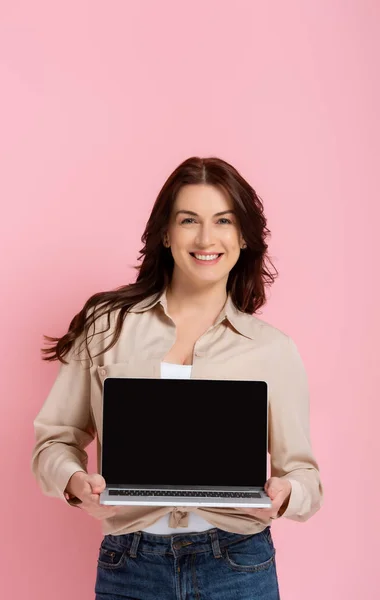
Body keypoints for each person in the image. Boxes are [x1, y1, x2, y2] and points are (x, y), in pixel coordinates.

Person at [31, 156, 323, 600]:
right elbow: (53, 441)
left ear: (242, 236)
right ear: (166, 233)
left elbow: (305, 476)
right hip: (130, 564)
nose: (206, 238)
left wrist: (286, 493)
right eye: (189, 220)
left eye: (223, 220)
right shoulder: (107, 326)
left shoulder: (272, 349)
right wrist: (73, 481)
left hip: (238, 565)